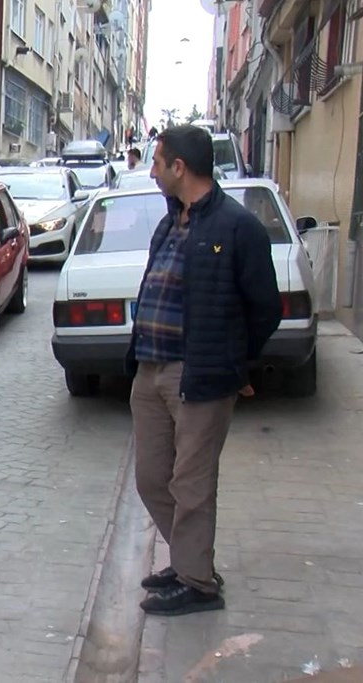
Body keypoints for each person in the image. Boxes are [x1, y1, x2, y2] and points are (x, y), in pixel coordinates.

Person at [128, 124, 282, 617]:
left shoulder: (237, 227)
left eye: (157, 163)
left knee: (191, 485)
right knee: (152, 478)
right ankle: (189, 559)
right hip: (150, 371)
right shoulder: (170, 221)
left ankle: (198, 583)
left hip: (200, 376)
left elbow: (265, 308)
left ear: (180, 168)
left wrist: (237, 363)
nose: (151, 171)